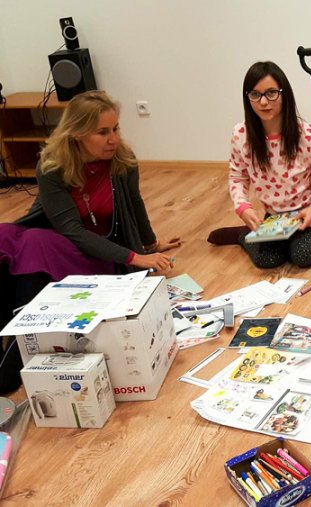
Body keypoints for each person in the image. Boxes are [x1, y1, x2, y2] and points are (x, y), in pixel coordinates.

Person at [0, 90, 179, 390]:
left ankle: (16, 355)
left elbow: (135, 204)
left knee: (33, 244)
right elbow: (70, 230)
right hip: (64, 246)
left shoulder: (123, 161)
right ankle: (12, 334)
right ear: (77, 133)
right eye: (103, 132)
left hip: (103, 256)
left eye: (116, 128)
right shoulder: (52, 166)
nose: (114, 139)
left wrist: (148, 247)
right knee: (6, 235)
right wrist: (138, 256)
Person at [228, 61, 311, 269]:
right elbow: (237, 177)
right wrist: (243, 208)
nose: (264, 102)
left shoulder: (307, 134)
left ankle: (286, 241)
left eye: (271, 93)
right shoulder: (241, 134)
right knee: (267, 260)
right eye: (255, 94)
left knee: (302, 256)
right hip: (277, 217)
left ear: (284, 94)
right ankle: (243, 235)